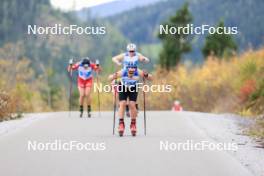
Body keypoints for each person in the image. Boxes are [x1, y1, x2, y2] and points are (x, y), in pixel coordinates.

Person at [108, 62, 152, 137]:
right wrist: (113, 76)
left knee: (132, 104)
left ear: (135, 69)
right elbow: (109, 78)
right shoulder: (122, 72)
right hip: (123, 86)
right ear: (127, 70)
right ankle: (121, 124)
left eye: (133, 71)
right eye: (130, 71)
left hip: (133, 87)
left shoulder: (137, 71)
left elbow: (151, 78)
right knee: (122, 103)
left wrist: (146, 75)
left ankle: (133, 124)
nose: (131, 73)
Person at [112, 43, 150, 117]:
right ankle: (126, 108)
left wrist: (144, 59)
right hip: (125, 73)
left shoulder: (137, 55)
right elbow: (114, 58)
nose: (131, 53)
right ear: (128, 51)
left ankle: (135, 105)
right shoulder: (124, 55)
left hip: (135, 73)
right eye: (130, 51)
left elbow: (147, 60)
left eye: (133, 51)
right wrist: (117, 62)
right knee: (123, 90)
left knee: (133, 92)